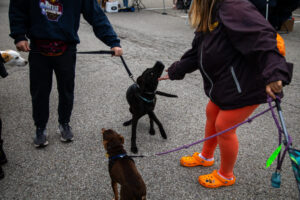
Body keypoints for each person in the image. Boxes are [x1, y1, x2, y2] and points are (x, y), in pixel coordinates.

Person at [159, 0, 293, 188]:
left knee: (224, 126)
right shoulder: (210, 11)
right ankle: (206, 156)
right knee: (211, 113)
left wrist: (275, 72)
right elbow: (197, 51)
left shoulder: (234, 6)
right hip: (227, 84)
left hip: (247, 84)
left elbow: (262, 38)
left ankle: (226, 175)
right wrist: (175, 71)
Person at [9, 0, 123, 148]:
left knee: (66, 90)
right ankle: (40, 127)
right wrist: (19, 36)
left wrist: (113, 41)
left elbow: (96, 15)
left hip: (66, 48)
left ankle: (64, 123)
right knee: (39, 92)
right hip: (38, 48)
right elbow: (17, 9)